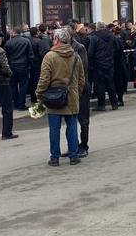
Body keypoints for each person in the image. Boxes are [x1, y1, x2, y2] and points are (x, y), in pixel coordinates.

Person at [36, 27, 85, 166]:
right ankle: (74, 155)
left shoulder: (50, 56)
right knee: (72, 127)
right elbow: (81, 78)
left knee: (54, 129)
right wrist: (76, 92)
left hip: (53, 97)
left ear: (56, 40)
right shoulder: (75, 56)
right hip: (72, 96)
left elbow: (44, 79)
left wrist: (39, 94)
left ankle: (55, 157)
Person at [69, 27, 91, 157]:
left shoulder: (79, 48)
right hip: (70, 88)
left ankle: (84, 145)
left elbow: (83, 67)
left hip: (81, 88)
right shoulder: (62, 48)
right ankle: (73, 145)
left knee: (83, 119)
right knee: (70, 119)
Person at [88, 22, 118, 112]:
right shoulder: (111, 36)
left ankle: (101, 105)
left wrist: (91, 63)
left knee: (100, 84)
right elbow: (116, 48)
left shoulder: (94, 38)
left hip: (98, 63)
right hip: (110, 63)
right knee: (110, 83)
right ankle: (114, 103)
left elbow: (90, 52)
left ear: (97, 28)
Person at [4, 26, 34, 111]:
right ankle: (21, 104)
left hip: (12, 66)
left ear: (14, 32)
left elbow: (5, 55)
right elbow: (30, 54)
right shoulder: (26, 41)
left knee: (13, 85)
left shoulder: (8, 43)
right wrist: (29, 65)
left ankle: (16, 103)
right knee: (23, 86)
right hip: (23, 66)